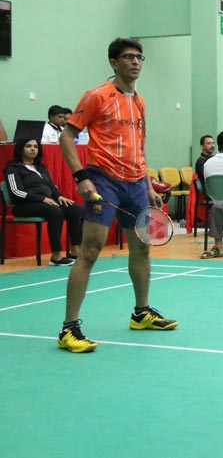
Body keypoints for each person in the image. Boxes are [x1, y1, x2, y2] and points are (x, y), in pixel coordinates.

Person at [57, 37, 177, 353]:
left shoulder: (139, 100)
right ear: (114, 62)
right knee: (90, 250)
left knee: (143, 248)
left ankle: (141, 313)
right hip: (104, 180)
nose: (135, 62)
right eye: (128, 57)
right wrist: (81, 176)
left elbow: (140, 144)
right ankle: (69, 328)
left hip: (136, 184)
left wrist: (148, 185)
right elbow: (66, 136)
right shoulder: (97, 96)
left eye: (139, 57)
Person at [3, 138, 83, 266]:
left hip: (45, 202)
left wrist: (59, 196)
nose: (33, 149)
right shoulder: (13, 169)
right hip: (22, 205)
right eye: (28, 146)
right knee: (55, 211)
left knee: (77, 209)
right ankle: (56, 256)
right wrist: (42, 199)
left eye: (35, 146)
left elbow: (51, 186)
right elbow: (16, 192)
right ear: (20, 149)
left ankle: (75, 251)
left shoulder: (41, 168)